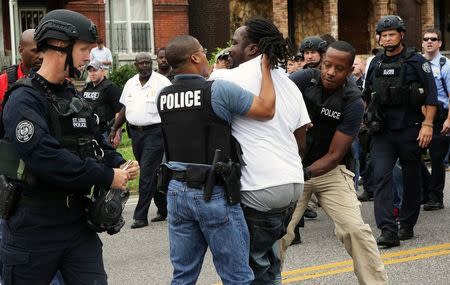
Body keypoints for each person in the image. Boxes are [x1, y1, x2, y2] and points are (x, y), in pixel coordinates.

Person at [0, 9, 138, 284]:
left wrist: (117, 163)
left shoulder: (70, 95)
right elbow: (45, 157)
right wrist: (107, 176)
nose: (90, 57)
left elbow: (94, 140)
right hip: (33, 225)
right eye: (85, 48)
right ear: (60, 46)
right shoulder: (23, 100)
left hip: (76, 222)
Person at [158, 33, 278, 285]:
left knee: (183, 275)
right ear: (194, 57)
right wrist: (266, 69)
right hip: (212, 192)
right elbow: (266, 109)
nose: (207, 56)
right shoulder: (218, 89)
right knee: (237, 276)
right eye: (203, 51)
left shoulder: (164, 96)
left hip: (176, 191)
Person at [210, 18, 310, 284]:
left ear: (253, 49)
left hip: (258, 188)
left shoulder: (226, 77)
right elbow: (301, 144)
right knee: (271, 264)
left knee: (250, 270)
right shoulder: (289, 83)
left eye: (235, 43)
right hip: (292, 185)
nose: (230, 49)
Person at [280, 41, 388, 285]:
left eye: (338, 69)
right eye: (327, 65)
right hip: (290, 167)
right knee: (278, 234)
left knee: (355, 230)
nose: (330, 72)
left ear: (350, 70)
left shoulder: (353, 101)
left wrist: (303, 173)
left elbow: (334, 156)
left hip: (328, 171)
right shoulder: (302, 79)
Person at [364, 15, 438, 247]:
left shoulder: (416, 61)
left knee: (411, 177)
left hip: (410, 128)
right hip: (383, 132)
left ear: (401, 35)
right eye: (383, 35)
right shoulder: (375, 63)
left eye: (391, 34)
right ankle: (388, 229)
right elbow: (367, 95)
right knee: (381, 176)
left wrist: (427, 124)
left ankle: (406, 224)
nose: (387, 39)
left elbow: (432, 96)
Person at [110, 53, 171, 227]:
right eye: (141, 63)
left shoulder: (162, 82)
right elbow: (124, 109)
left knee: (146, 174)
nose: (144, 66)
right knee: (150, 171)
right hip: (135, 134)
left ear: (151, 64)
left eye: (147, 63)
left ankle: (140, 216)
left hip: (155, 132)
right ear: (135, 65)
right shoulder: (131, 83)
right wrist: (115, 128)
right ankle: (164, 208)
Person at [421, 28, 450, 211]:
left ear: (440, 43)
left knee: (437, 159)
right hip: (422, 116)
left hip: (441, 116)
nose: (429, 42)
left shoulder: (445, 65)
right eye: (426, 39)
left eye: (433, 39)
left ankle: (435, 197)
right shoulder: (419, 63)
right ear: (422, 43)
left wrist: (448, 120)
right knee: (412, 155)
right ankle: (426, 190)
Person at [0, 29, 42, 110]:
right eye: (35, 51)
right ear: (20, 50)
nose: (41, 56)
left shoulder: (58, 81)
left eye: (43, 51)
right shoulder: (3, 82)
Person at [82, 60, 123, 142]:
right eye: (90, 71)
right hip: (89, 131)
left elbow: (119, 112)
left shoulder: (111, 88)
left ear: (102, 71)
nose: (92, 73)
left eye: (95, 70)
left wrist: (117, 133)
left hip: (105, 131)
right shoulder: (86, 88)